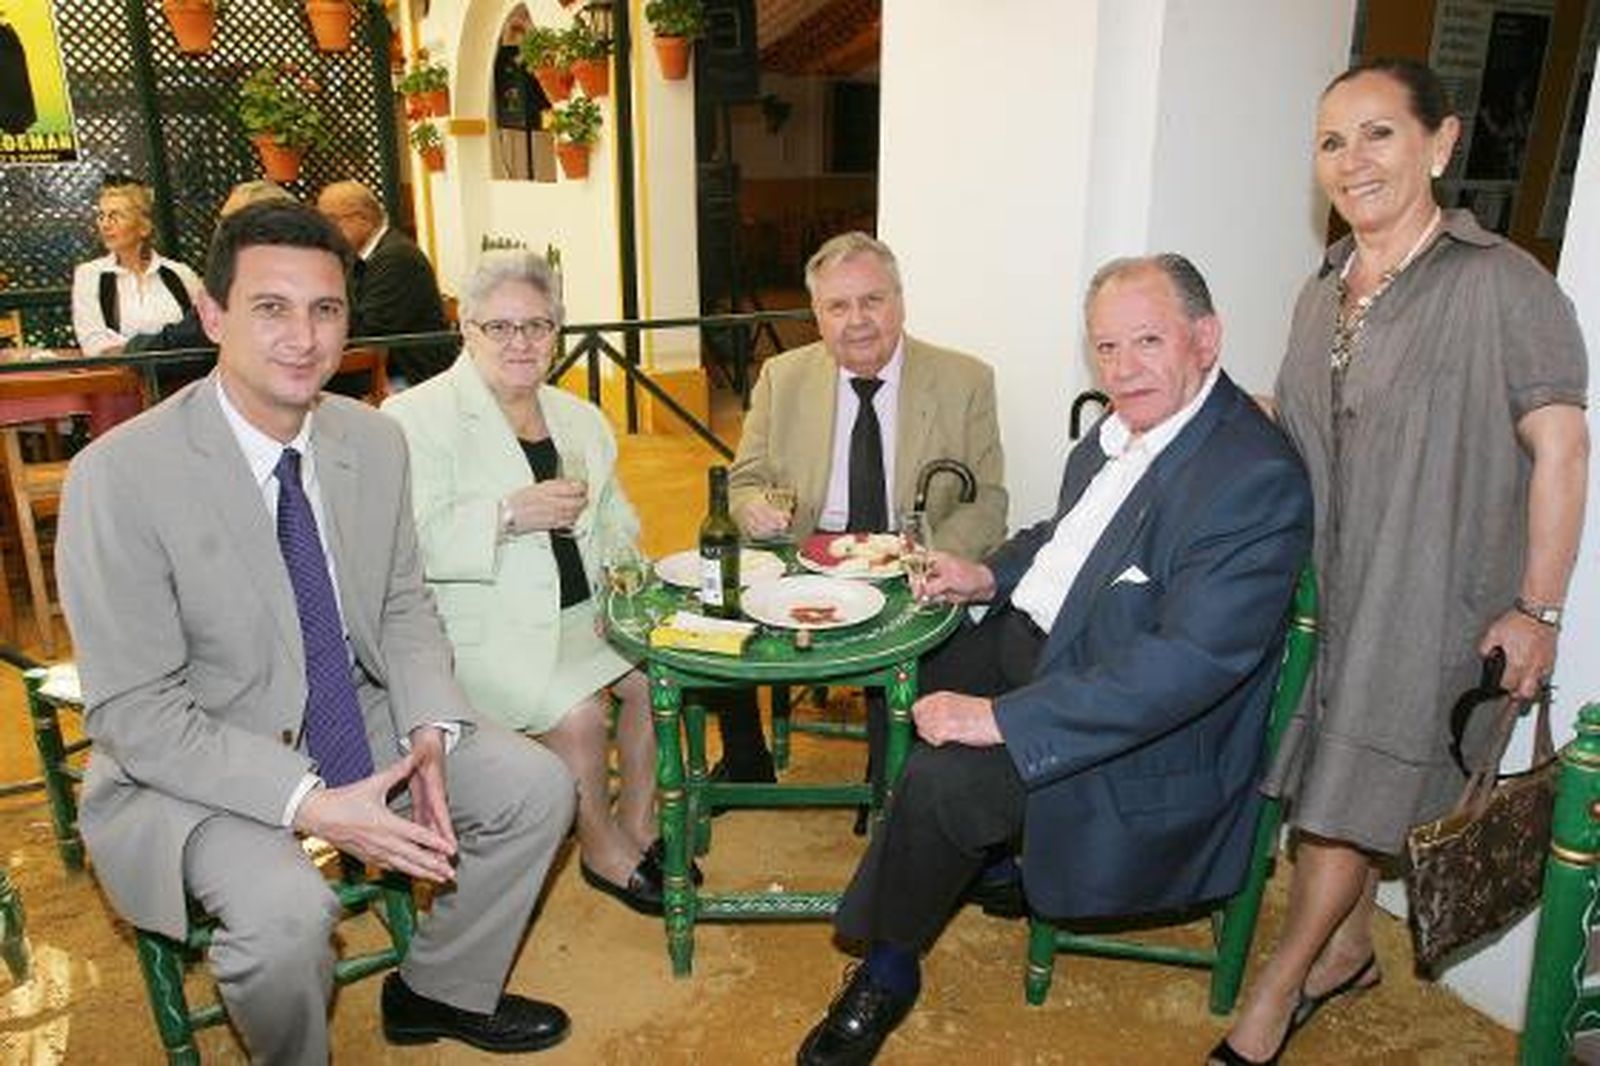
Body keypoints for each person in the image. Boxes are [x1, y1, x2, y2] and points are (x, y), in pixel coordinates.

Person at [56, 201, 577, 1062]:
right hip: (194, 760)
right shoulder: (118, 476)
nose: (302, 336)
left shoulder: (372, 440)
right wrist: (311, 805)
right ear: (215, 315)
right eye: (271, 307)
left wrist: (432, 730)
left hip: (353, 710)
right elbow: (135, 714)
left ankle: (437, 989)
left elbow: (405, 602)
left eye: (326, 309)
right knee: (289, 918)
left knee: (535, 787)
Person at [793, 254, 1312, 1066]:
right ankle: (987, 859)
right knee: (899, 671)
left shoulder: (1251, 478)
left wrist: (1002, 720)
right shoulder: (1119, 433)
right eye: (1106, 348)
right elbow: (1064, 538)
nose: (1123, 367)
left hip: (1130, 723)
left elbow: (1188, 666)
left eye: (1147, 340)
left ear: (1205, 339)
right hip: (1046, 645)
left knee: (943, 778)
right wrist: (989, 573)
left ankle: (888, 967)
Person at [1216, 59, 1589, 1066]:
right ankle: (1345, 950)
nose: (1353, 161)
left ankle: (1275, 993)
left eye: (1378, 134)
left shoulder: (1503, 284)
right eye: (1332, 142)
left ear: (1441, 141)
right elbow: (1306, 431)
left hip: (1438, 605)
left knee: (1343, 803)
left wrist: (1537, 611)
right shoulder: (1321, 288)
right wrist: (1190, 399)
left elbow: (1562, 447)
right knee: (1336, 792)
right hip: (1340, 596)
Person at [383, 250, 666, 915]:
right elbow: (407, 544)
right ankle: (599, 845)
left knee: (660, 680)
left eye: (537, 326)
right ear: (467, 329)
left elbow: (616, 517)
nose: (521, 343)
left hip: (587, 616)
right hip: (483, 631)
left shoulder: (579, 418)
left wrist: (627, 575)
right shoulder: (414, 419)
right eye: (500, 327)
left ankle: (641, 821)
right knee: (580, 716)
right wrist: (507, 515)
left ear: (557, 334)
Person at [719, 231, 1007, 784]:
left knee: (962, 656)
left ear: (899, 301)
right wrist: (751, 506)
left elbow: (987, 500)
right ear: (817, 315)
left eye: (872, 300)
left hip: (912, 560)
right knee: (709, 609)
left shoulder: (965, 379)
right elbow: (745, 480)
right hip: (803, 556)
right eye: (838, 306)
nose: (857, 320)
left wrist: (929, 556)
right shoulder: (782, 377)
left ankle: (892, 774)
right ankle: (746, 759)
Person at [316, 179, 453, 386]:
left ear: (364, 218)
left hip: (411, 377)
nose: (325, 230)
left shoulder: (397, 258)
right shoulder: (361, 256)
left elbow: (367, 329)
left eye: (332, 220)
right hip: (384, 367)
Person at [70, 176, 202, 356]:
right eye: (102, 216)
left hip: (185, 378)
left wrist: (131, 348)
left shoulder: (181, 274)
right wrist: (166, 346)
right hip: (123, 379)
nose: (105, 224)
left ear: (144, 227)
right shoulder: (90, 274)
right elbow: (94, 343)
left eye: (116, 216)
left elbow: (204, 328)